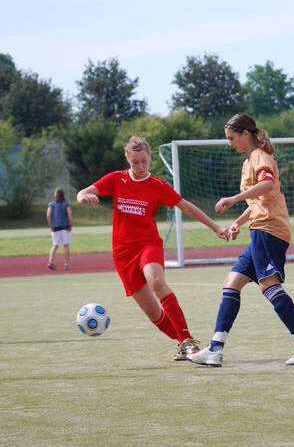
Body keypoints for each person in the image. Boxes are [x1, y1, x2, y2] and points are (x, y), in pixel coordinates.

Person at [187, 113, 294, 367]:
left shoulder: (260, 156)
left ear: (245, 134)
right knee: (232, 283)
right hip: (259, 229)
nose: (229, 144)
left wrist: (232, 199)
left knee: (270, 287)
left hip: (270, 230)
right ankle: (215, 349)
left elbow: (267, 185)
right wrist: (238, 222)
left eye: (231, 138)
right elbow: (258, 201)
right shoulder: (249, 160)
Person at [76, 136, 229, 361]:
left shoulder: (157, 185)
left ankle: (188, 342)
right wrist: (84, 196)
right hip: (122, 254)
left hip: (148, 245)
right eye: (135, 162)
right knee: (154, 313)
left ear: (150, 159)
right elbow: (84, 191)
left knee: (156, 281)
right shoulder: (116, 179)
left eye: (144, 161)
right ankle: (182, 343)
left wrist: (215, 227)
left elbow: (186, 207)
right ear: (127, 159)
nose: (140, 166)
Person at [47, 188, 73, 271]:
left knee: (55, 245)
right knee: (66, 245)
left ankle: (51, 262)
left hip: (55, 228)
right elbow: (70, 215)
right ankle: (66, 264)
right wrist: (70, 225)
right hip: (65, 227)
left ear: (56, 195)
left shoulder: (51, 204)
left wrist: (51, 226)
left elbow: (48, 215)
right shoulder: (66, 204)